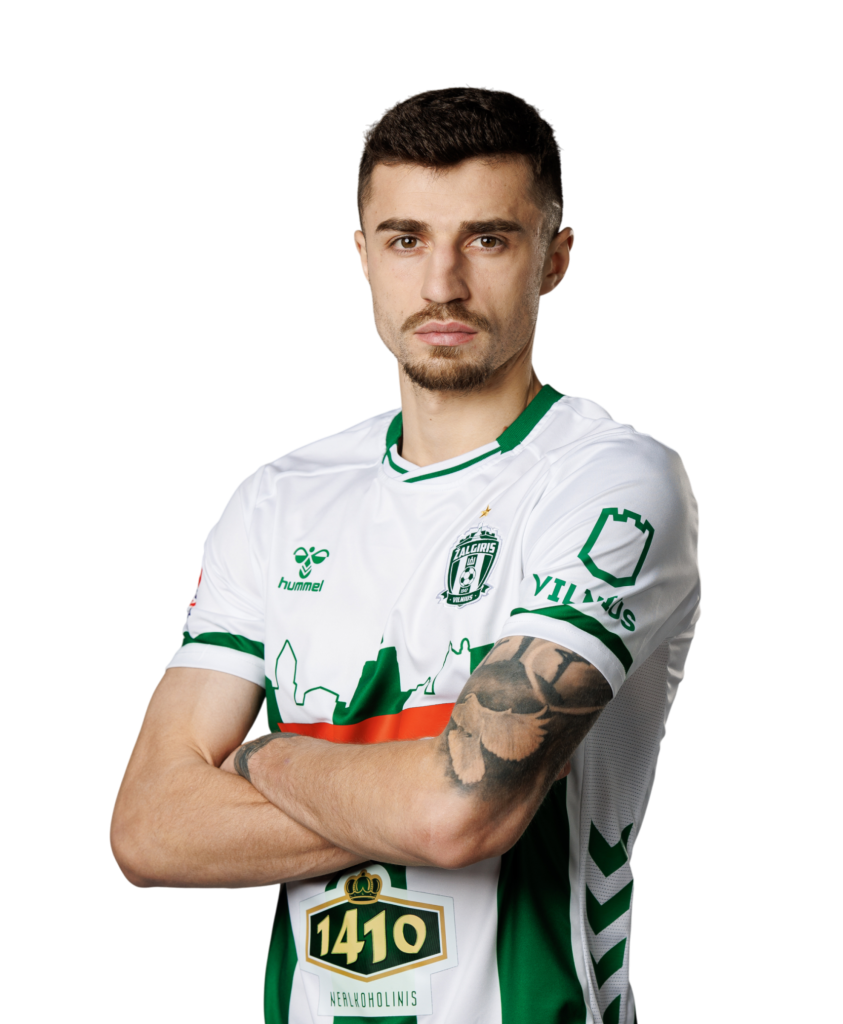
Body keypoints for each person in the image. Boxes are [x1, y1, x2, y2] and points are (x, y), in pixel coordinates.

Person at [110, 85, 701, 1024]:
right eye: (405, 240)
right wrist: (426, 786)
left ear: (554, 259)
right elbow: (148, 831)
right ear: (362, 257)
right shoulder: (278, 497)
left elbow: (459, 814)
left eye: (487, 239)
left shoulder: (612, 480)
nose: (441, 286)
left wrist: (263, 756)